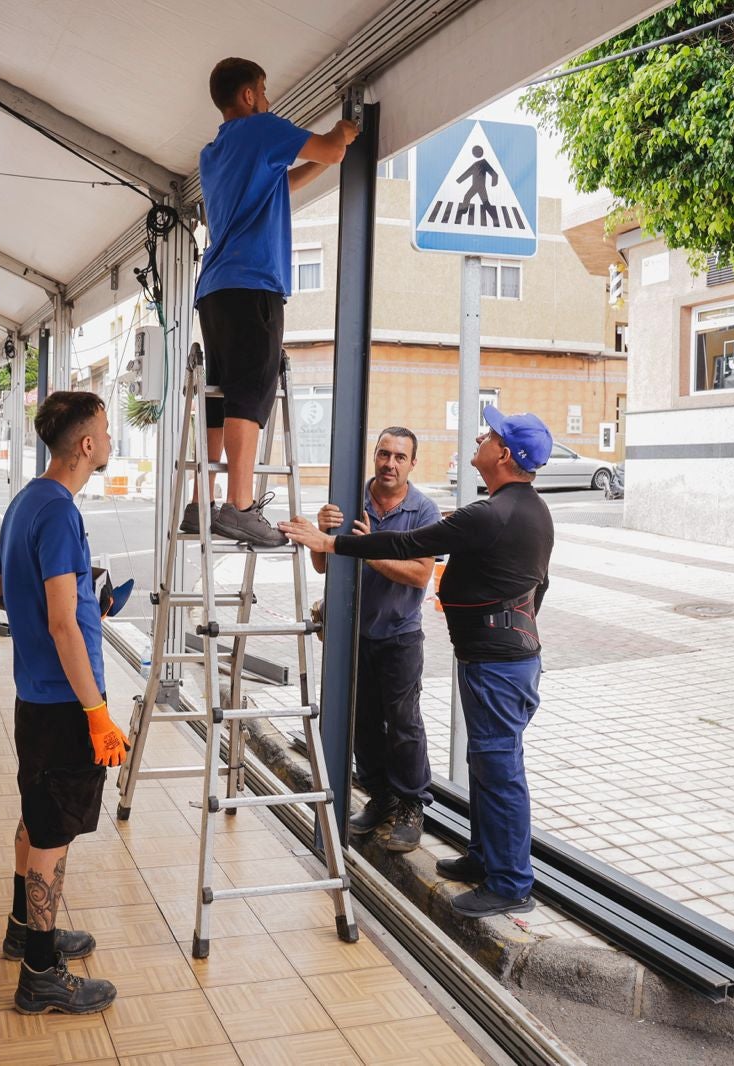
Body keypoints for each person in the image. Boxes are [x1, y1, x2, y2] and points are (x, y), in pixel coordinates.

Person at [281, 408, 554, 918]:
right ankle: (484, 858)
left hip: (498, 666)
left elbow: (410, 546)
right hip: (498, 660)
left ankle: (512, 882)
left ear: (506, 455)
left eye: (491, 435)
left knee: (500, 772)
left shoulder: (490, 514)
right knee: (486, 766)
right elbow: (538, 586)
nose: (481, 437)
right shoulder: (528, 510)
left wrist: (335, 543)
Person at [0, 391, 130, 1015]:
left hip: (32, 697)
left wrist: (90, 604)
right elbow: (63, 624)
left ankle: (25, 929)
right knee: (54, 836)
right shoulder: (61, 511)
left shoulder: (24, 502)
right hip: (66, 705)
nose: (110, 438)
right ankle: (42, 973)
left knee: (36, 817)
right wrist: (96, 712)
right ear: (87, 445)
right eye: (105, 430)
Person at [184, 57, 360, 547]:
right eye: (263, 88)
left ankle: (202, 501)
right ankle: (240, 506)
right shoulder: (262, 129)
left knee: (218, 395)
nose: (268, 96)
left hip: (215, 289)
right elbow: (331, 151)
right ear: (247, 96)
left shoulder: (213, 153)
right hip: (253, 284)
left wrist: (313, 162)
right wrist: (344, 130)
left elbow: (281, 182)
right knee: (249, 391)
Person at [309, 428, 440, 851]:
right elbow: (322, 565)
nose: (390, 463)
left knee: (404, 724)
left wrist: (368, 550)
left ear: (412, 464)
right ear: (375, 456)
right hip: (352, 634)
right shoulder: (350, 501)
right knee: (361, 721)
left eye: (400, 457)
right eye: (384, 454)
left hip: (400, 635)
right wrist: (322, 532)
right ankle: (380, 799)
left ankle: (410, 807)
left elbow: (421, 574)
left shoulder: (423, 511)